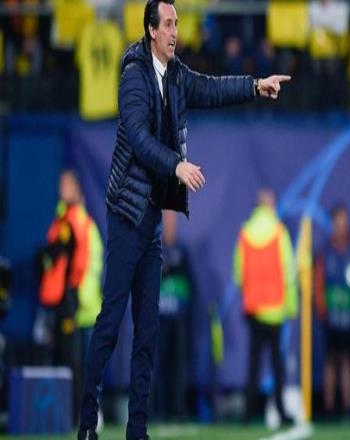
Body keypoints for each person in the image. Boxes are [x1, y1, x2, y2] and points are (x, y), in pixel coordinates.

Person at [77, 1, 290, 438]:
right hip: (126, 214)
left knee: (148, 331)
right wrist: (176, 165)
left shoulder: (174, 74)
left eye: (177, 24)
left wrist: (255, 86)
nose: (176, 31)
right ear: (151, 30)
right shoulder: (133, 75)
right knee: (111, 322)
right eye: (169, 24)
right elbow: (138, 138)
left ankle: (137, 430)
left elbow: (210, 88)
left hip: (152, 216)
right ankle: (86, 425)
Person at [38, 170, 102, 422]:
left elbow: (83, 264)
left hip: (81, 305)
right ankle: (69, 411)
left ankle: (86, 411)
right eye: (60, 185)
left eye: (66, 185)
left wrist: (73, 293)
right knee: (66, 359)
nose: (62, 190)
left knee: (82, 363)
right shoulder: (61, 221)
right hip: (65, 303)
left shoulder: (79, 222)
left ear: (76, 189)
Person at [233, 189, 298, 426]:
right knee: (277, 365)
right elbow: (289, 272)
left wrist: (250, 294)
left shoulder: (245, 233)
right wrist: (291, 306)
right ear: (270, 205)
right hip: (275, 308)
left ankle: (248, 413)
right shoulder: (279, 232)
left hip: (253, 308)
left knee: (253, 364)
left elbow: (238, 273)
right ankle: (280, 410)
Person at [314, 204, 350, 417]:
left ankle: (347, 406)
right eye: (338, 221)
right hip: (330, 316)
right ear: (333, 223)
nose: (342, 225)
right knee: (330, 360)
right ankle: (329, 407)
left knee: (346, 361)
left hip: (349, 316)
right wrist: (322, 310)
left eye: (344, 221)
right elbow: (318, 283)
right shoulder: (325, 251)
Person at [151, 210, 193, 421]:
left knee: (178, 366)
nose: (170, 226)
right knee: (156, 365)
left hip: (177, 318)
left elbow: (189, 284)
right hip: (158, 318)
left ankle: (178, 410)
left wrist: (172, 271)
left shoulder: (181, 250)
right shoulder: (153, 249)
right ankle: (156, 411)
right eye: (166, 222)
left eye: (173, 222)